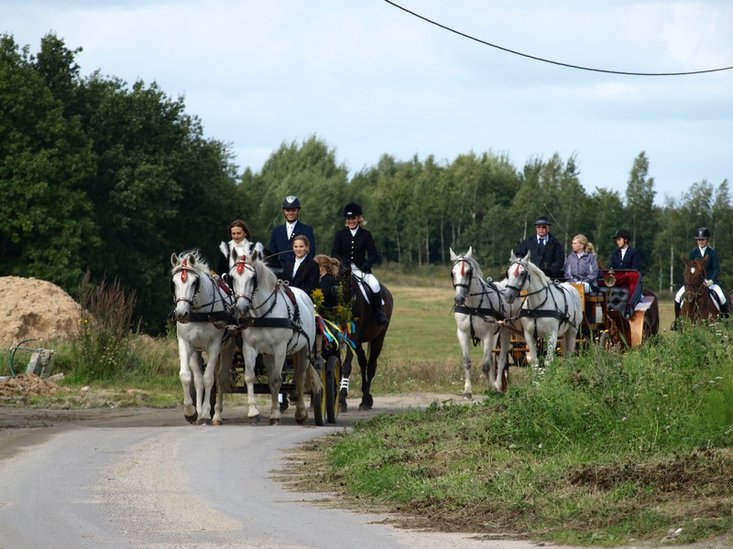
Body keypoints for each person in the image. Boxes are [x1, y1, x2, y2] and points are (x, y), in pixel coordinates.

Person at [331, 202, 388, 325]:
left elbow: (373, 254)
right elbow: (334, 253)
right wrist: (342, 262)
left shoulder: (365, 234)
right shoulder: (340, 234)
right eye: (348, 218)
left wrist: (367, 264)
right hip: (343, 270)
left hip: (362, 269)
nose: (351, 221)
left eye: (353, 218)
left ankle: (379, 313)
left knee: (375, 285)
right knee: (331, 286)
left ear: (359, 218)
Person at [673, 227, 728, 320]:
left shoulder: (712, 253)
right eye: (699, 239)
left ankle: (725, 318)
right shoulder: (693, 252)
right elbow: (689, 268)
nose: (701, 241)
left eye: (703, 239)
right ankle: (677, 321)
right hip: (694, 283)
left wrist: (711, 280)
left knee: (721, 296)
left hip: (710, 282)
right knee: (678, 296)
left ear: (707, 240)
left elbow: (716, 269)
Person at [268, 195, 316, 271]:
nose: (290, 213)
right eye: (287, 210)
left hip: (300, 271)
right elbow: (272, 254)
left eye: (293, 210)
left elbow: (311, 252)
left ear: (298, 211)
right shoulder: (276, 231)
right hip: (280, 271)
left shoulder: (307, 229)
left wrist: (302, 268)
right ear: (284, 211)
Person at [312, 254, 342, 367]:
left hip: (325, 317)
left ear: (321, 267)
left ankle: (318, 352)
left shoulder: (328, 280)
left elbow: (322, 298)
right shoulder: (321, 279)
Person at [217, 219, 262, 284]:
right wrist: (225, 277)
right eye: (233, 234)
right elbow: (220, 269)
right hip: (230, 286)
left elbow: (259, 270)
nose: (236, 236)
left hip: (250, 286)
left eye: (239, 233)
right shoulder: (225, 248)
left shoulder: (254, 249)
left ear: (245, 233)